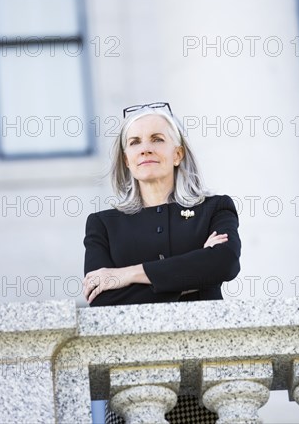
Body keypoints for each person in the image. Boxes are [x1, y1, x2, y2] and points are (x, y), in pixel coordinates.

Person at [83, 102, 241, 423]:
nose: (145, 149)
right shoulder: (103, 224)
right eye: (135, 143)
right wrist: (194, 276)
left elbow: (223, 263)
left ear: (177, 154)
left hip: (205, 381)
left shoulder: (214, 208)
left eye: (157, 139)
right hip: (135, 383)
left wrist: (128, 275)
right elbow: (103, 301)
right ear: (127, 160)